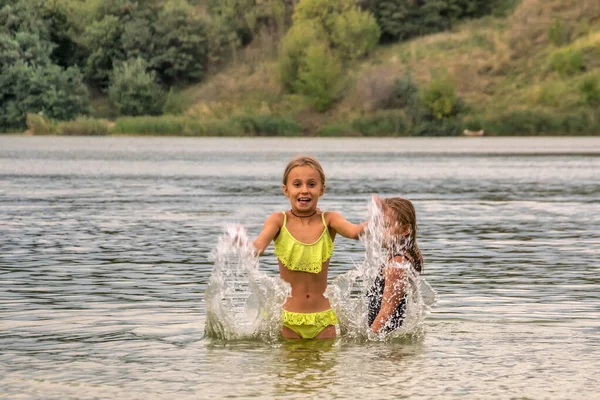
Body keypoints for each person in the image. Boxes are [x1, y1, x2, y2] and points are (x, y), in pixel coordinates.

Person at [252, 156, 365, 339]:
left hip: (323, 320)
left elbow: (354, 232)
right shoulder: (278, 220)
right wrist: (241, 245)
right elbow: (259, 245)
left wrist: (376, 220)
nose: (304, 190)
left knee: (326, 368)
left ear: (322, 189)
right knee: (288, 368)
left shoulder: (329, 219)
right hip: (287, 320)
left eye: (311, 184)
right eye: (297, 184)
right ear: (286, 190)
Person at [367, 197, 423, 334]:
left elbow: (386, 312)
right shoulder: (406, 256)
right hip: (391, 340)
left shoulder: (396, 264)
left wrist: (369, 342)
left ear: (405, 230)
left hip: (386, 344)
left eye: (385, 226)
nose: (378, 231)